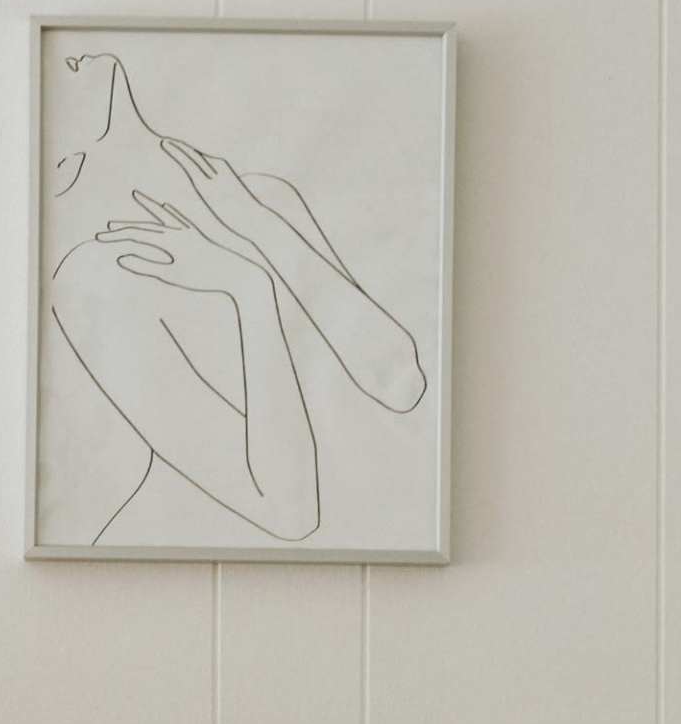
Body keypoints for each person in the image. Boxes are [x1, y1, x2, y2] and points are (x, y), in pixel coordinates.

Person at [38, 49, 428, 549]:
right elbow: (290, 512)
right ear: (60, 161)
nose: (65, 58)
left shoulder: (254, 197)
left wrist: (259, 224)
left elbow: (403, 384)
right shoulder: (99, 276)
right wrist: (248, 288)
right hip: (196, 576)